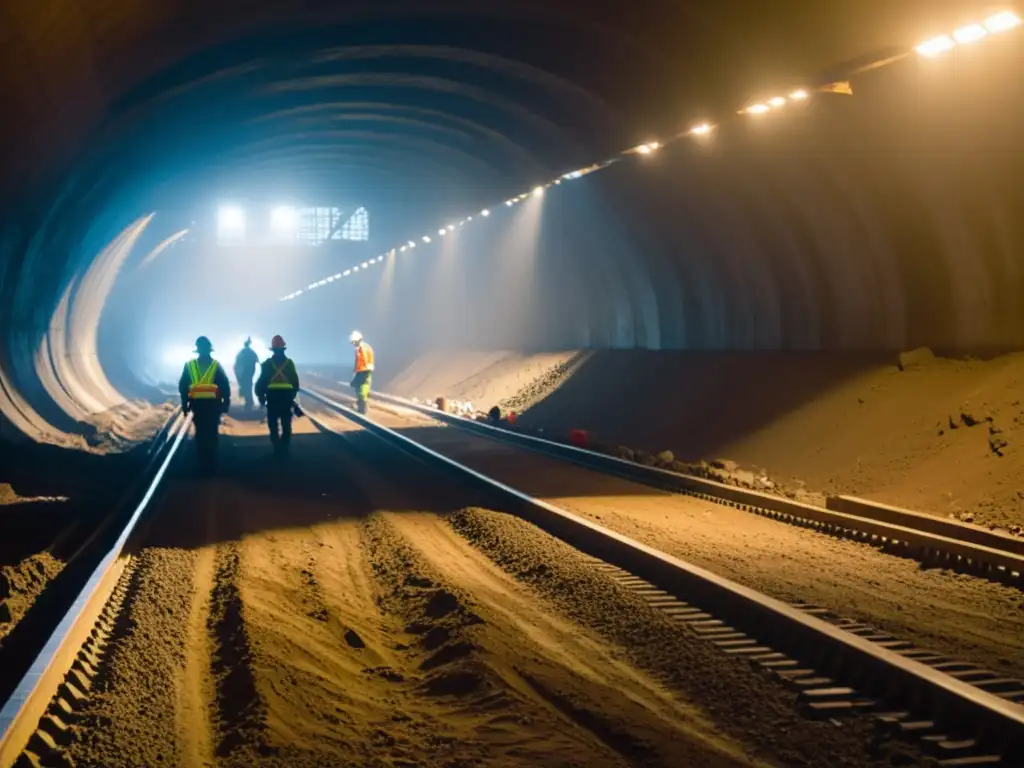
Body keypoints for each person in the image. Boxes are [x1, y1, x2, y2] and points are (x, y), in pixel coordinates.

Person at [178, 336, 231, 473]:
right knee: (212, 433)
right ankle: (211, 462)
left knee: (201, 434)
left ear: (197, 350)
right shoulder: (216, 366)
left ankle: (203, 463)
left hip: (198, 406)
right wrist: (226, 402)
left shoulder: (189, 366)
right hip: (213, 405)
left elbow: (183, 386)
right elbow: (224, 385)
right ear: (209, 350)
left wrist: (185, 404)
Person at [255, 335, 300, 455]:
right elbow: (295, 382)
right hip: (286, 399)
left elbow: (261, 382)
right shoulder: (290, 363)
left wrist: (260, 396)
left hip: (272, 399)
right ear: (283, 348)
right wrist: (292, 395)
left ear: (273, 349)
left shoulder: (267, 364)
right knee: (286, 424)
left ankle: (276, 446)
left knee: (273, 424)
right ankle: (285, 447)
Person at [349, 330, 375, 414]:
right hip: (361, 370)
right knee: (357, 386)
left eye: (354, 342)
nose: (353, 344)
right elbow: (358, 361)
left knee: (362, 389)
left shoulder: (363, 349)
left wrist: (363, 370)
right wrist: (355, 370)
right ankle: (360, 406)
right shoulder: (361, 348)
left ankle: (362, 409)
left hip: (365, 371)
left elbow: (365, 361)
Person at [234, 337, 260, 411]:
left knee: (246, 387)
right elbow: (257, 361)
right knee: (247, 386)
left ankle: (249, 403)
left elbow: (237, 363)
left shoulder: (242, 352)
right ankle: (249, 402)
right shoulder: (251, 352)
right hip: (248, 372)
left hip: (245, 372)